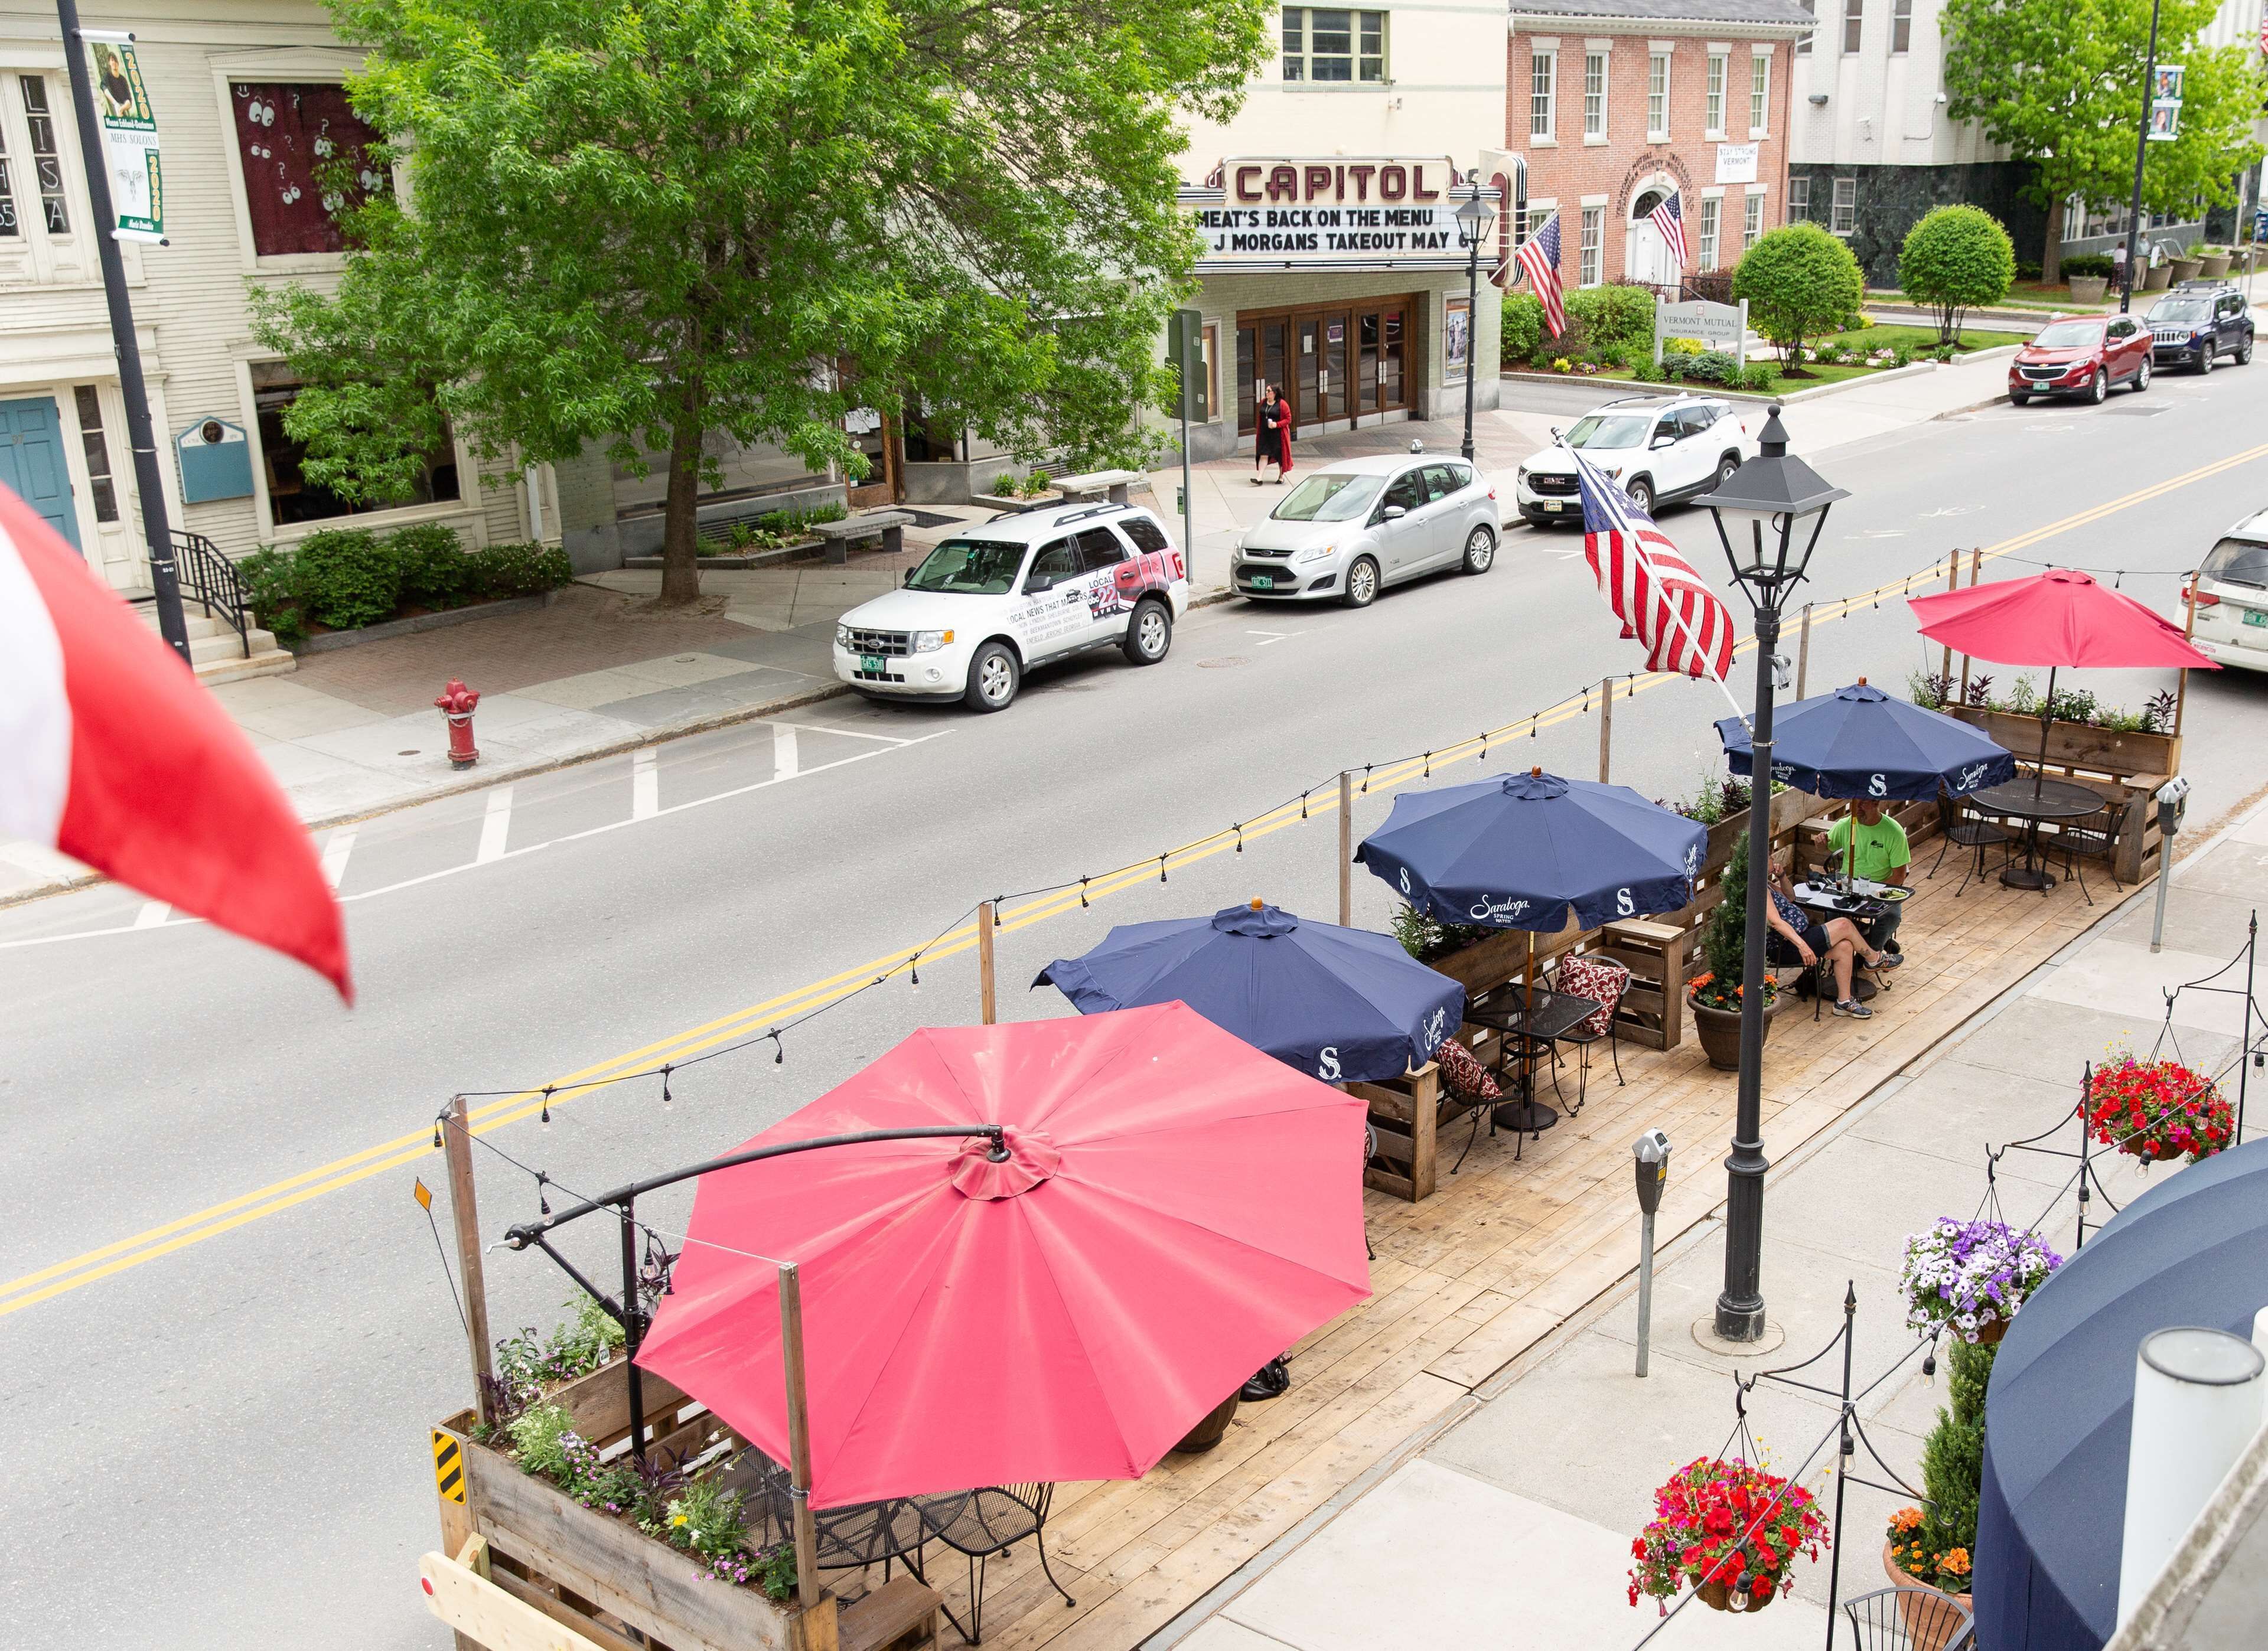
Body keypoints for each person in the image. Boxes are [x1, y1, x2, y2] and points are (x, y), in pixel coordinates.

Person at [1764, 851, 1900, 1019]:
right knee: (1844, 924)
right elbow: (1776, 923)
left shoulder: (1766, 884)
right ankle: (1873, 959)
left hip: (1800, 936)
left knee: (1845, 947)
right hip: (1784, 947)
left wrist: (1783, 876)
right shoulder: (1759, 889)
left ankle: (1844, 1002)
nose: (1773, 859)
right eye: (1770, 858)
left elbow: (1791, 897)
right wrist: (1803, 946)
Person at [1826, 798, 1910, 954]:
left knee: (1891, 917)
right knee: (1832, 912)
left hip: (1880, 888)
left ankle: (1871, 953)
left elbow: (1899, 876)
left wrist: (1874, 893)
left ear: (1875, 803)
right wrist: (1820, 843)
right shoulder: (1846, 825)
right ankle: (1850, 946)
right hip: (1848, 886)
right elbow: (1827, 845)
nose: (1857, 808)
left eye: (1862, 804)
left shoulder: (1894, 832)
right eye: (1854, 803)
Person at [1253, 386, 1293, 485]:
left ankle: (1281, 476)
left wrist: (1277, 424)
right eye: (1266, 391)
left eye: (1269, 391)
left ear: (1275, 393)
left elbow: (1288, 419)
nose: (1267, 393)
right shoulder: (1263, 402)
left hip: (1278, 435)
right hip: (1265, 434)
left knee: (1280, 456)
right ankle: (1259, 478)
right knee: (1264, 454)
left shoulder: (1282, 404)